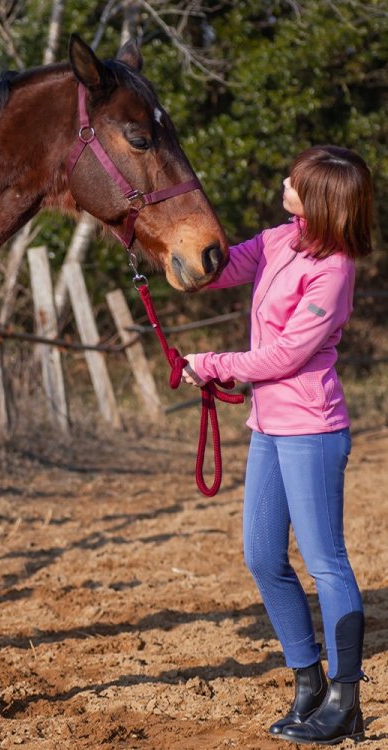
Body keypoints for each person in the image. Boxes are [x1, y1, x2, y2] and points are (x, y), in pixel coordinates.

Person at [182, 145, 373, 745]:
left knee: (326, 562)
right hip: (268, 427)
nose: (285, 182)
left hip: (311, 429)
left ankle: (346, 702)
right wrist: (157, 239)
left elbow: (287, 354)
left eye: (297, 181)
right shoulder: (278, 240)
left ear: (322, 198)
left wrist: (210, 363)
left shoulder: (334, 269)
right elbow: (218, 267)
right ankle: (307, 683)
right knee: (262, 556)